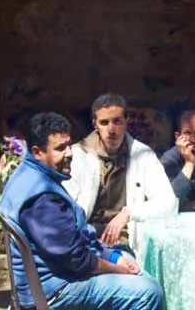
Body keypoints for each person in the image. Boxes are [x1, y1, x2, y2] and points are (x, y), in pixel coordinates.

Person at [0, 111, 164, 310]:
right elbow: (78, 260)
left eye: (68, 145)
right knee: (147, 294)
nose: (69, 153)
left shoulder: (31, 174)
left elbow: (79, 240)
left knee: (129, 261)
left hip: (59, 273)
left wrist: (113, 256)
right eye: (59, 148)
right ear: (37, 152)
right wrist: (116, 269)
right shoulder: (42, 198)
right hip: (52, 288)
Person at [67, 92, 177, 250]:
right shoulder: (78, 155)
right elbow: (64, 206)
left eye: (117, 121)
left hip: (124, 240)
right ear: (95, 124)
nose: (111, 130)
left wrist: (128, 213)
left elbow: (168, 202)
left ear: (127, 120)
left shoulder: (142, 155)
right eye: (104, 122)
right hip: (85, 240)